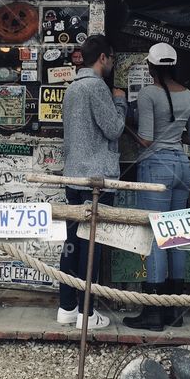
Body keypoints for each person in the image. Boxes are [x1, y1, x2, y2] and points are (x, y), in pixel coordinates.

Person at [122, 43, 190, 332]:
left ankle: (153, 312)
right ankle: (175, 311)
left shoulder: (148, 94)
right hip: (183, 166)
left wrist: (124, 125)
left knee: (156, 236)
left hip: (155, 166)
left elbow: (145, 139)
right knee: (176, 236)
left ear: (151, 66)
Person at [57, 34, 127, 329]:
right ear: (102, 58)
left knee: (72, 242)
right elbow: (114, 129)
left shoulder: (72, 88)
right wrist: (121, 103)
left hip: (74, 175)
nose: (111, 64)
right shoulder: (98, 87)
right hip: (96, 180)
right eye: (110, 59)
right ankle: (87, 314)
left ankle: (67, 307)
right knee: (92, 245)